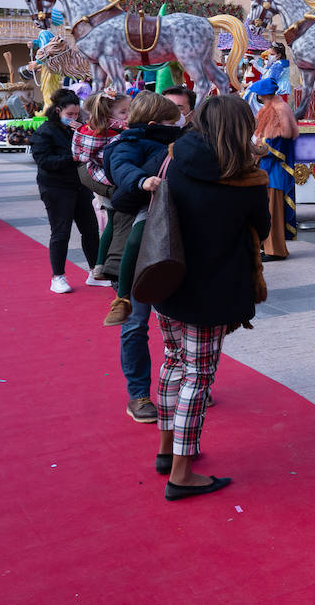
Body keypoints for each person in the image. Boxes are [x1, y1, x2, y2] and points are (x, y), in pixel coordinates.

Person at [154, 95, 269, 500]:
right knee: (198, 377)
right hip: (213, 288)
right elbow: (264, 226)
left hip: (166, 278)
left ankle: (168, 450)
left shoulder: (173, 157)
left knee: (172, 362)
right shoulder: (247, 178)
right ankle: (182, 473)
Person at [104, 91, 184, 423]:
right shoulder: (127, 144)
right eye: (172, 117)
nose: (179, 120)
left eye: (182, 112)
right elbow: (120, 170)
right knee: (136, 323)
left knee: (181, 323)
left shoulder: (184, 143)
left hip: (175, 237)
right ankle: (138, 394)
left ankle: (186, 384)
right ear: (154, 122)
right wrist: (142, 180)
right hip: (139, 234)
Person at [29, 89, 102, 293]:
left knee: (90, 230)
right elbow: (43, 161)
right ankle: (58, 277)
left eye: (76, 114)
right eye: (69, 114)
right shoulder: (45, 131)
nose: (73, 118)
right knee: (61, 232)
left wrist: (85, 133)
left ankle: (95, 272)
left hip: (79, 185)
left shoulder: (76, 129)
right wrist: (72, 158)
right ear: (58, 110)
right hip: (55, 187)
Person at [72, 91, 130, 290]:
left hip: (102, 180)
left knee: (112, 224)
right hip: (107, 181)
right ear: (108, 115)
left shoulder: (99, 130)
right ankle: (105, 266)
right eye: (124, 112)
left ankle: (99, 265)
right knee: (115, 225)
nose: (128, 116)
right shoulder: (106, 133)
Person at [252, 79, 298, 260]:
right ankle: (268, 247)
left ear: (263, 95)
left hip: (274, 171)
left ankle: (275, 250)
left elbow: (273, 146)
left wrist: (253, 149)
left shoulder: (277, 111)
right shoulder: (276, 107)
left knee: (273, 211)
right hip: (269, 170)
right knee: (268, 210)